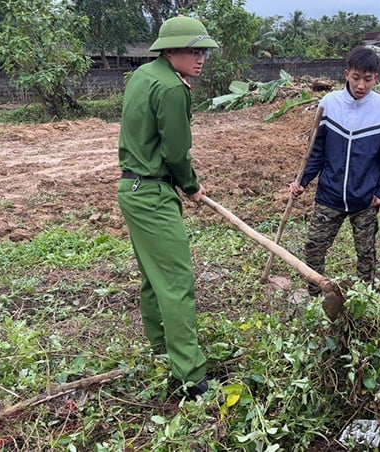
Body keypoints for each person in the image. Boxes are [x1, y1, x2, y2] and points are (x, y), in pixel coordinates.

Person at [116, 16, 217, 399]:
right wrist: (190, 186)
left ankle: (159, 346)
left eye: (203, 51)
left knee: (152, 275)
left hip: (131, 189)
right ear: (170, 49)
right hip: (153, 194)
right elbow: (176, 152)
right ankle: (191, 377)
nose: (200, 58)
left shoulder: (143, 76)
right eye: (193, 50)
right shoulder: (174, 89)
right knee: (176, 282)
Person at [289, 46, 380, 296]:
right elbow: (315, 150)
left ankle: (364, 298)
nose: (361, 85)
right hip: (329, 195)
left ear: (376, 78)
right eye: (356, 78)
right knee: (314, 247)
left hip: (365, 199)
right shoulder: (329, 104)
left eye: (367, 79)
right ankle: (316, 295)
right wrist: (302, 181)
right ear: (346, 74)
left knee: (366, 254)